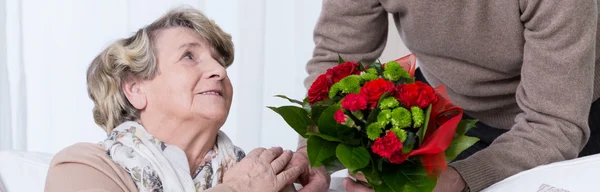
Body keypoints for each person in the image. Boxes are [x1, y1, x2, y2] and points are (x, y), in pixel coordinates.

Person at [298, 1, 600, 192]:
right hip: (450, 113)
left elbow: (553, 122)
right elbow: (337, 63)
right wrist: (312, 153)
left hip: (571, 116)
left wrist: (459, 179)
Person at [45, 8, 303, 192]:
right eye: (189, 56)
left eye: (220, 61)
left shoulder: (260, 174)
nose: (220, 71)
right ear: (135, 89)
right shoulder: (82, 166)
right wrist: (237, 189)